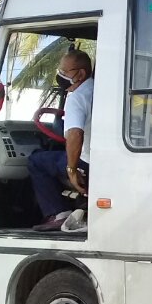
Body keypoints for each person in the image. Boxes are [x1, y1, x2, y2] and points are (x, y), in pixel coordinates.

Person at [28, 51, 94, 232]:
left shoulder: (77, 97)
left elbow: (74, 134)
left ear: (80, 74)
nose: (60, 76)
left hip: (87, 162)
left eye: (65, 71)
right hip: (102, 160)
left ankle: (59, 213)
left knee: (36, 160)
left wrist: (71, 170)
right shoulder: (97, 90)